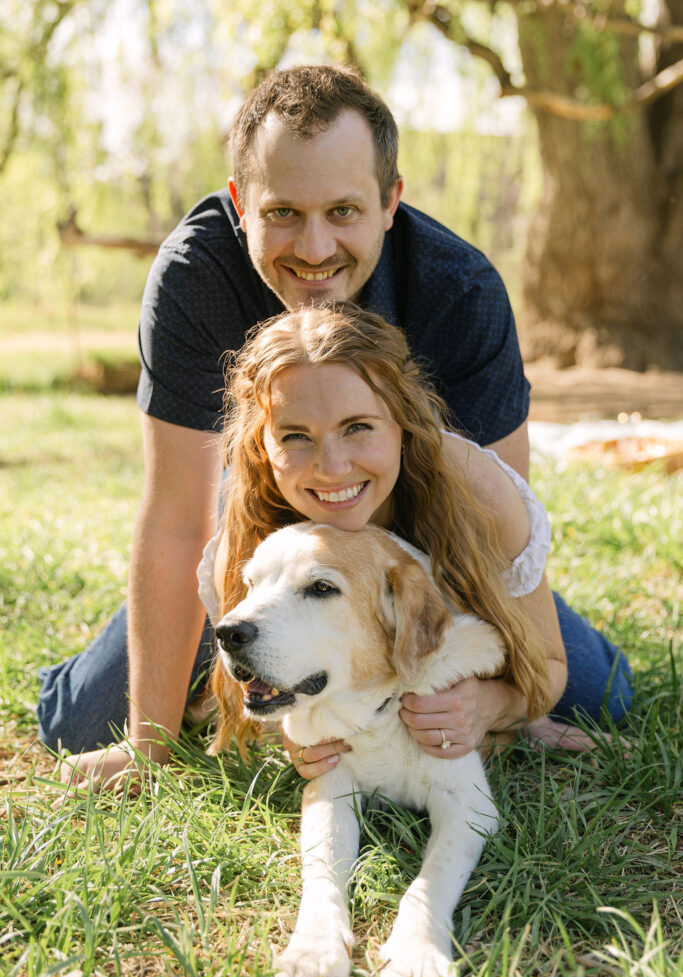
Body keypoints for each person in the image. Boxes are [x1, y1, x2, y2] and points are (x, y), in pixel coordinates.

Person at [37, 65, 632, 791]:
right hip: (258, 540)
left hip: (418, 551)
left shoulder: (461, 290)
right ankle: (191, 664)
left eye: (343, 212)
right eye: (282, 212)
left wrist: (501, 699)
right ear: (240, 204)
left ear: (390, 201)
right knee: (84, 720)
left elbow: (492, 526)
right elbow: (175, 517)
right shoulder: (193, 276)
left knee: (597, 698)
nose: (314, 249)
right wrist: (150, 745)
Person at [205, 304, 566, 768]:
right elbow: (255, 687)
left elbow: (549, 670)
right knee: (122, 700)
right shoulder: (255, 530)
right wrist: (295, 735)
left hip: (480, 595)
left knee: (602, 694)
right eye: (295, 436)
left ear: (403, 422)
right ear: (262, 446)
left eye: (357, 427)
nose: (332, 468)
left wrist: (492, 706)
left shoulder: (479, 493)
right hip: (303, 638)